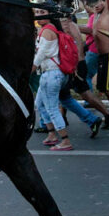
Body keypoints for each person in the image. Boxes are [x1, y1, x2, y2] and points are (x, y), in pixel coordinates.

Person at [32, 16, 73, 151]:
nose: (38, 15)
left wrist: (31, 69)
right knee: (39, 104)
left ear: (49, 15)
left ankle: (65, 140)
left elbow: (40, 54)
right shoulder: (49, 29)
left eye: (42, 12)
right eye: (37, 11)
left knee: (52, 108)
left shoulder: (47, 31)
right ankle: (51, 134)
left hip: (51, 74)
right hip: (51, 74)